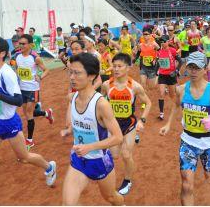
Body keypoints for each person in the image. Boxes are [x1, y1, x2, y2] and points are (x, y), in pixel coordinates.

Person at [0, 37, 56, 206]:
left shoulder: (8, 74)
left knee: (25, 157)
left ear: (3, 53)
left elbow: (18, 101)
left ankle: (49, 167)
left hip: (10, 123)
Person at [159, 51, 210, 205]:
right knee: (186, 185)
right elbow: (176, 106)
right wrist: (168, 124)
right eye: (190, 67)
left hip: (209, 142)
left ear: (205, 69)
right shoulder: (181, 90)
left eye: (197, 68)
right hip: (188, 141)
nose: (192, 71)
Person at [61, 53, 124, 206]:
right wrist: (70, 129)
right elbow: (77, 123)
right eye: (71, 72)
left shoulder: (101, 104)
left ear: (91, 76)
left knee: (110, 198)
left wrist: (90, 147)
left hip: (99, 160)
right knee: (68, 204)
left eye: (77, 73)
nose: (72, 77)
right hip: (78, 158)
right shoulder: (72, 98)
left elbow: (117, 137)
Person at [101, 53, 151, 196]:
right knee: (115, 155)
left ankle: (127, 180)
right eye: (114, 66)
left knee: (126, 154)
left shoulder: (135, 86)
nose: (115, 69)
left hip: (129, 123)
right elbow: (101, 101)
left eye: (119, 66)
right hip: (113, 124)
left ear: (128, 67)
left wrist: (142, 120)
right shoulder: (106, 85)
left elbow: (148, 103)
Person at [14, 34, 54, 149]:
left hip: (33, 89)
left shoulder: (35, 57)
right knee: (27, 113)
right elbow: (17, 70)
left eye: (23, 43)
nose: (20, 45)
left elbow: (46, 70)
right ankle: (46, 113)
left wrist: (40, 77)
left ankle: (30, 140)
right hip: (22, 89)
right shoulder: (17, 56)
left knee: (29, 113)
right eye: (19, 43)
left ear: (30, 44)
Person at [157, 35, 179, 120]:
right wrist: (156, 72)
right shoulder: (159, 52)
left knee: (172, 95)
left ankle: (175, 108)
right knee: (161, 93)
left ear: (168, 42)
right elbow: (159, 63)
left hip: (171, 75)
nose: (162, 43)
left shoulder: (172, 50)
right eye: (161, 42)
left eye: (164, 41)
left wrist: (176, 71)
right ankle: (161, 114)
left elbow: (179, 61)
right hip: (162, 75)